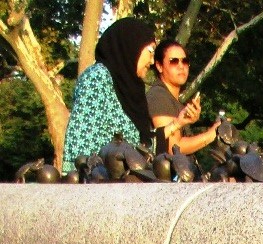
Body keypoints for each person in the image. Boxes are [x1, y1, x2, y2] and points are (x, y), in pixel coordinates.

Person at [62, 18, 156, 174]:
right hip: (101, 183)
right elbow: (81, 144)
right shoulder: (97, 78)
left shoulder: (132, 88)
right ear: (132, 46)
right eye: (151, 51)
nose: (152, 61)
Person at [147, 40, 220, 156]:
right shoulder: (159, 97)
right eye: (174, 61)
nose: (181, 66)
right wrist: (212, 134)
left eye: (185, 61)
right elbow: (173, 148)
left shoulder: (171, 99)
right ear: (159, 66)